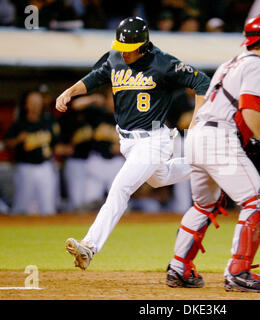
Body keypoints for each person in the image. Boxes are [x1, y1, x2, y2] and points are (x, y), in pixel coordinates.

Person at [55, 16, 210, 270]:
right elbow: (96, 76)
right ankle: (207, 162)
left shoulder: (163, 63)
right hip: (128, 141)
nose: (124, 53)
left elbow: (202, 82)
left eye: (129, 49)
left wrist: (196, 126)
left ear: (143, 45)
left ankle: (90, 246)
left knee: (120, 188)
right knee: (161, 177)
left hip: (153, 140)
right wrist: (70, 91)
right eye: (121, 47)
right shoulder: (116, 56)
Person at [166, 13, 260, 292]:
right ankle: (238, 272)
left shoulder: (230, 63)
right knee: (258, 202)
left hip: (198, 134)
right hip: (218, 136)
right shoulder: (258, 66)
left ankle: (179, 267)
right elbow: (249, 108)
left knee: (204, 205)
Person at [4, 90, 61, 215]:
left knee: (48, 206)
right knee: (22, 205)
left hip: (45, 166)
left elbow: (56, 144)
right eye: (32, 102)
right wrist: (18, 139)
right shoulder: (19, 123)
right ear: (26, 105)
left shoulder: (48, 121)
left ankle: (47, 230)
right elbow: (7, 143)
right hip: (25, 167)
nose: (35, 105)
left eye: (38, 101)